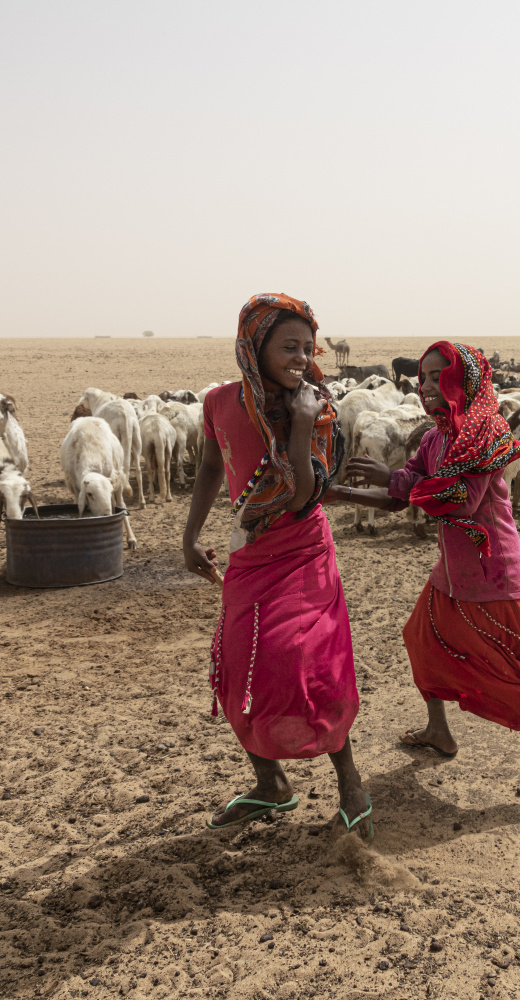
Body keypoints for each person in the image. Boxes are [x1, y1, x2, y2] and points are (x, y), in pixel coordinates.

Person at [328, 341, 520, 824]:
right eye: (422, 378)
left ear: (462, 380)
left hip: (494, 571)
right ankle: (439, 730)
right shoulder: (433, 438)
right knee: (422, 640)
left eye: (436, 376)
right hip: (451, 570)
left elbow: (460, 500)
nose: (425, 386)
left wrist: (392, 478)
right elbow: (404, 493)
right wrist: (342, 492)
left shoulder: (486, 433)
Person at [183, 293, 372, 837]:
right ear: (254, 344)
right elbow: (212, 464)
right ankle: (271, 784)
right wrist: (189, 537)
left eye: (307, 347)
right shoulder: (220, 402)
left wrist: (299, 423)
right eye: (289, 346)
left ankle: (352, 787)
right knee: (236, 668)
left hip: (304, 551)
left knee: (312, 666)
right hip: (250, 552)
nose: (300, 356)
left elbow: (299, 496)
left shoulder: (312, 405)